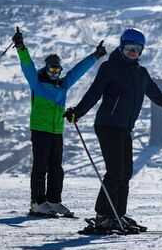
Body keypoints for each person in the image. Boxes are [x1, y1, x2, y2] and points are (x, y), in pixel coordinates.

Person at [63, 28, 162, 233]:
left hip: (124, 128)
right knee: (115, 172)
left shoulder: (141, 73)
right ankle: (102, 217)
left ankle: (118, 215)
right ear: (121, 46)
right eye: (129, 47)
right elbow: (94, 93)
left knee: (125, 173)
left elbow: (159, 98)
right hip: (107, 125)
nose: (132, 52)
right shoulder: (110, 68)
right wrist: (78, 112)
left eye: (137, 49)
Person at [12, 27, 106, 217]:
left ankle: (54, 201)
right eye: (52, 69)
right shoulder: (37, 82)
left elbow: (77, 71)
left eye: (57, 69)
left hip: (57, 130)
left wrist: (95, 56)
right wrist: (21, 46)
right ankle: (37, 203)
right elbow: (27, 65)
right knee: (41, 167)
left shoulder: (63, 85)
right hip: (40, 129)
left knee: (56, 168)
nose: (55, 72)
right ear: (46, 69)